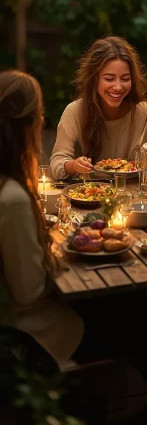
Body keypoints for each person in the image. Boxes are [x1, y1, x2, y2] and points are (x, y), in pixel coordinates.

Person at [0, 70, 83, 371]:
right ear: (28, 126)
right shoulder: (11, 198)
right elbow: (29, 292)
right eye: (40, 115)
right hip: (22, 331)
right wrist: (59, 257)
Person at [50, 36, 147, 180]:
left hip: (131, 193)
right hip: (88, 194)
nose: (118, 87)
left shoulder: (144, 112)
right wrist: (74, 165)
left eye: (125, 79)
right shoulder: (75, 111)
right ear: (94, 79)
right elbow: (56, 163)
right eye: (109, 79)